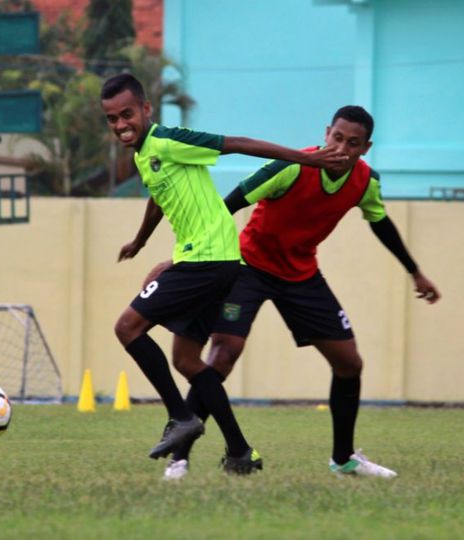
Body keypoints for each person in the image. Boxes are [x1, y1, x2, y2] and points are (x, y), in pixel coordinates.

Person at [161, 105, 440, 480]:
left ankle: (343, 459)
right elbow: (227, 205)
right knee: (223, 354)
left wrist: (415, 272)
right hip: (248, 266)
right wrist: (188, 257)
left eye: (352, 143)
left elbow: (380, 222)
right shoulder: (291, 167)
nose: (342, 148)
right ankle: (179, 457)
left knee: (349, 363)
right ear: (327, 133)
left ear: (365, 148)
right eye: (337, 138)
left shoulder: (364, 181)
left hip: (301, 274)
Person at [101, 73, 348, 476]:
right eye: (112, 118)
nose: (120, 124)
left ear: (146, 109)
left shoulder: (168, 139)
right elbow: (158, 198)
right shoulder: (146, 154)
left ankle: (181, 419)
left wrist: (309, 158)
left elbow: (238, 144)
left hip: (209, 260)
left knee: (128, 327)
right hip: (209, 262)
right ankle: (239, 452)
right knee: (186, 360)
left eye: (127, 114)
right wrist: (140, 242)